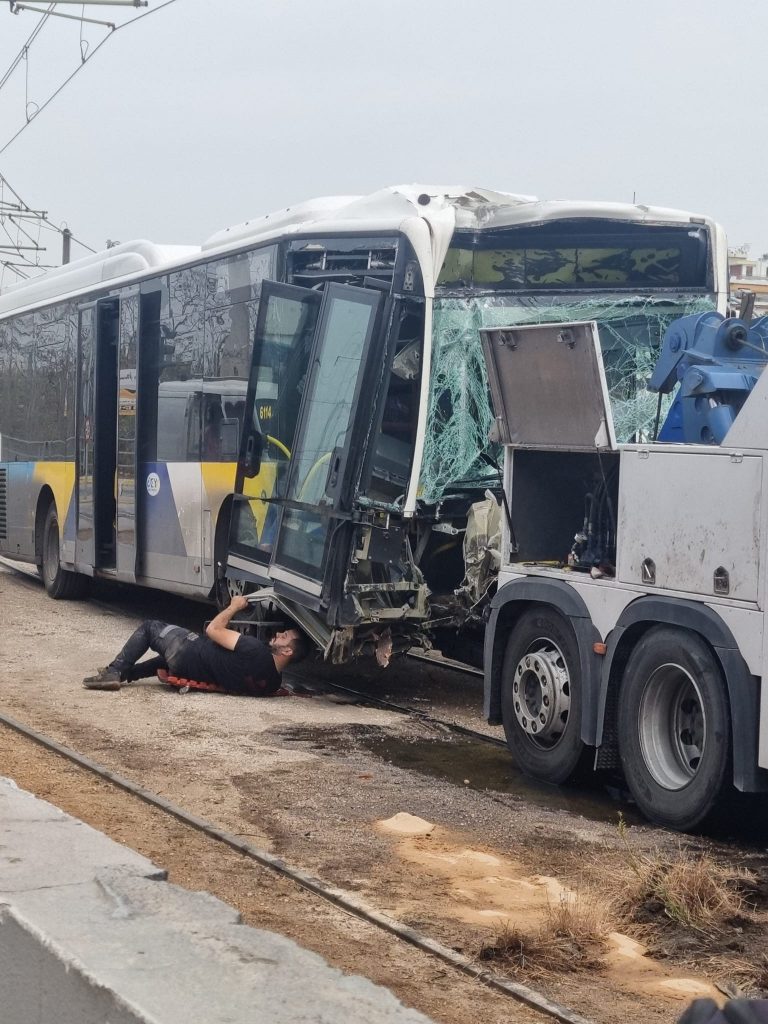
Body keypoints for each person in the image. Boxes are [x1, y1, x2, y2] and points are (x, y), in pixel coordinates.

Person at [82, 595, 308, 695]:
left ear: (287, 651)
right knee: (164, 659)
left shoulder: (256, 650)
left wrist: (234, 606)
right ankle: (125, 675)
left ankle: (114, 671)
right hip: (191, 669)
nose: (278, 634)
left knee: (150, 627)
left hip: (188, 651)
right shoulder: (272, 682)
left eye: (284, 636)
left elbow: (213, 630)